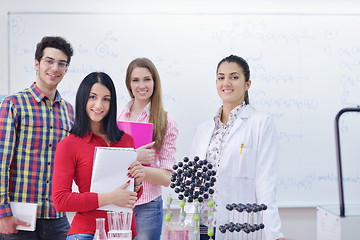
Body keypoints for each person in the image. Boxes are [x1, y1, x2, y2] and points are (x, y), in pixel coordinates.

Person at [191, 55, 290, 240]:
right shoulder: (204, 129)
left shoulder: (261, 123)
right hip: (203, 226)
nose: (226, 82)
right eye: (221, 77)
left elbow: (265, 182)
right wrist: (187, 221)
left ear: (247, 84)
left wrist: (274, 233)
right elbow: (193, 182)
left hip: (238, 227)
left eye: (234, 77)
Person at [52, 72, 145, 240]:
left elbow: (130, 198)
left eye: (106, 99)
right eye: (92, 97)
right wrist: (110, 198)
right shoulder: (69, 144)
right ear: (82, 99)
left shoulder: (126, 141)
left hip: (124, 232)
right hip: (86, 233)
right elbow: (61, 200)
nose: (99, 105)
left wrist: (137, 183)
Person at [0, 36, 74, 239]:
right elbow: (1, 162)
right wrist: (2, 212)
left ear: (66, 69)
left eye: (61, 63)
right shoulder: (14, 104)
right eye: (49, 61)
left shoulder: (69, 112)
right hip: (19, 218)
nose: (55, 68)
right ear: (37, 63)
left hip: (57, 217)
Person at [117, 58, 178, 240]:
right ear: (129, 84)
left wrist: (140, 168)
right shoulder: (117, 117)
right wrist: (135, 156)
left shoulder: (166, 121)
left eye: (147, 79)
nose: (141, 85)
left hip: (148, 205)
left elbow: (168, 178)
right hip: (119, 201)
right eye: (135, 80)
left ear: (154, 82)